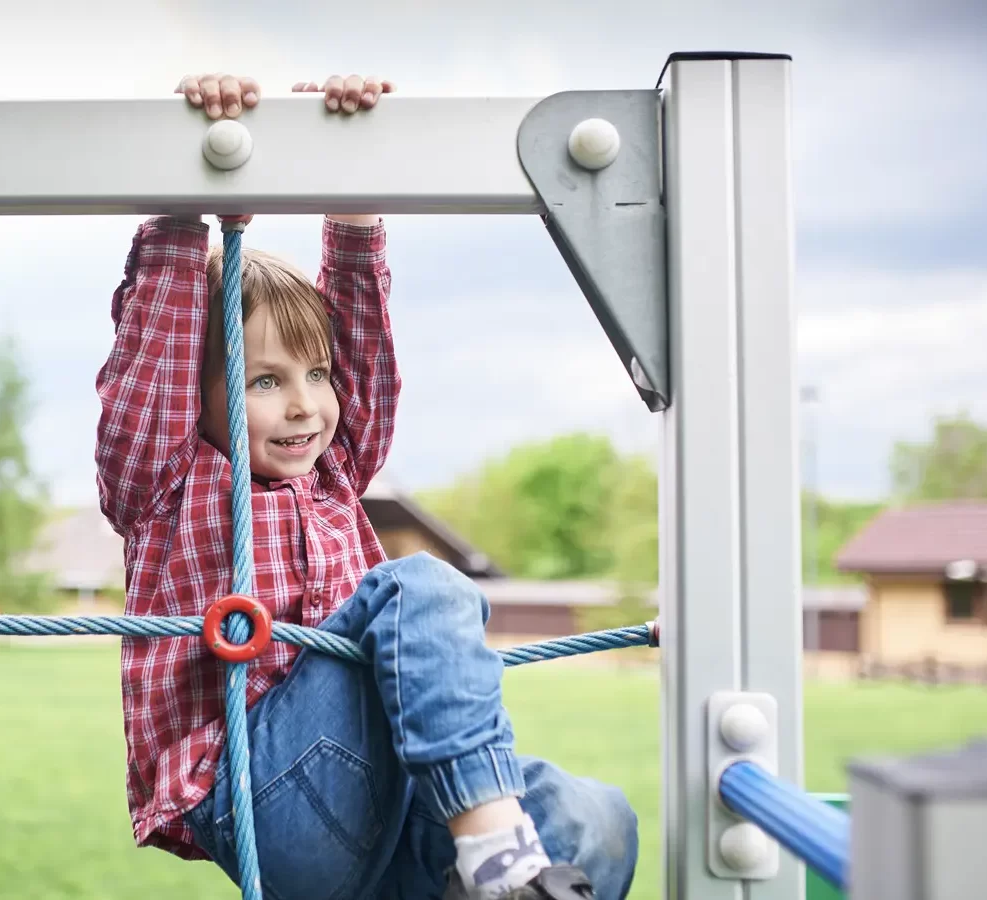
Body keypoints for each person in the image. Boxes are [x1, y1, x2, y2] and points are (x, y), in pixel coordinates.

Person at [95, 72, 638, 900]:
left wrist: (351, 190)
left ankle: (493, 864)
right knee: (418, 587)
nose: (306, 404)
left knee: (600, 820)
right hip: (260, 795)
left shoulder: (337, 472)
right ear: (192, 395)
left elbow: (365, 355)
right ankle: (498, 859)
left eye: (315, 374)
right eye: (263, 380)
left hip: (393, 810)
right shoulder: (167, 479)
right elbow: (157, 356)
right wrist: (185, 186)